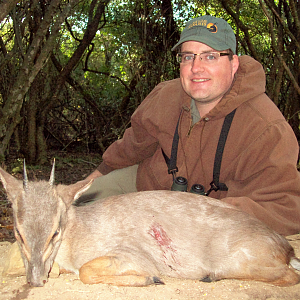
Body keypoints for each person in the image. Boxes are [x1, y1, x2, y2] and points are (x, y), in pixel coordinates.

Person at [80, 15, 300, 236]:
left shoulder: (267, 129)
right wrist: (80, 189)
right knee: (73, 213)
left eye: (210, 57)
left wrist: (204, 215)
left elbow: (285, 209)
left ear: (234, 64)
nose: (196, 68)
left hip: (211, 222)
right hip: (148, 188)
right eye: (188, 57)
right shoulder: (164, 96)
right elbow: (128, 150)